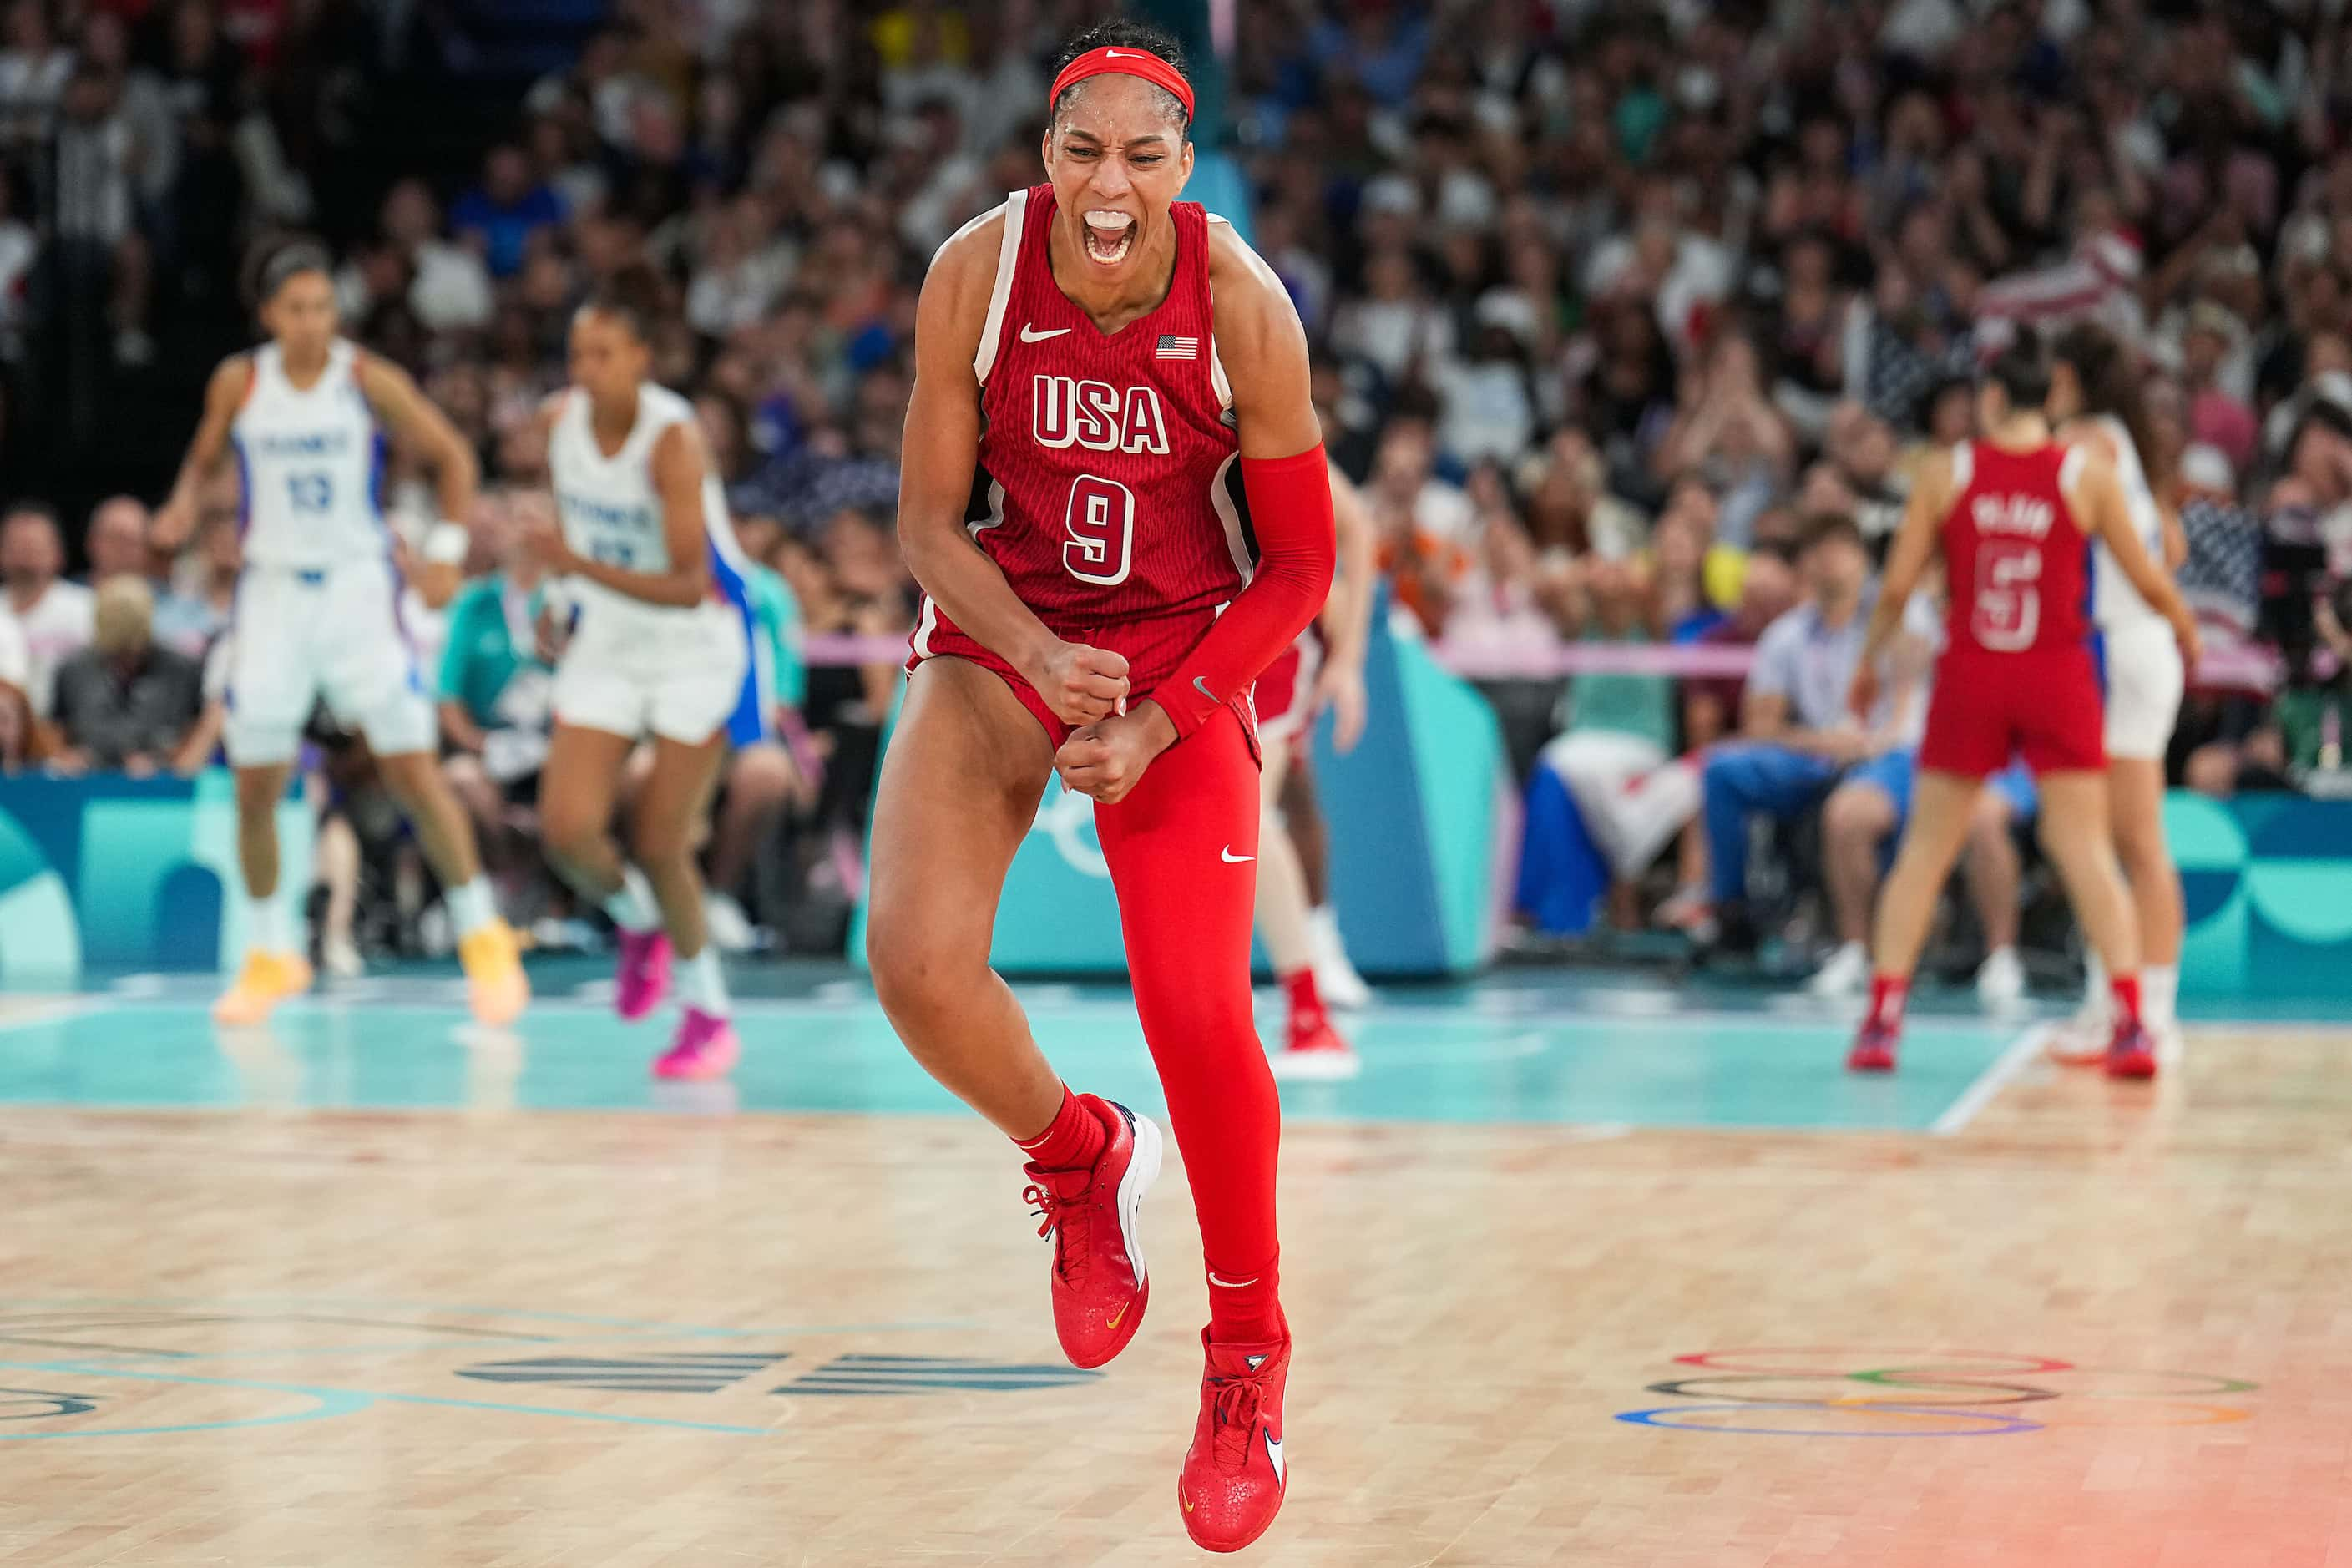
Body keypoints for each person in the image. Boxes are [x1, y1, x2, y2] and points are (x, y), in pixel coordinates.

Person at [863, 24, 1332, 1552]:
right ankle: (1076, 1153)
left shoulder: (1243, 305)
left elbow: (1304, 567)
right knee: (914, 968)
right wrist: (1031, 647)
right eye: (1083, 152)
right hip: (1012, 628)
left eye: (1142, 155)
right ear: (1045, 156)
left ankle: (1246, 1354)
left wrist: (1172, 709)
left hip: (1184, 654)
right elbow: (932, 528)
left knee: (1197, 1013)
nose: (1110, 183)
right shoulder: (974, 277)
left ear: (1184, 165)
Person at [150, 240, 529, 1029]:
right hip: (272, 592)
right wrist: (185, 506)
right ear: (269, 316)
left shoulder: (365, 378)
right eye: (297, 309)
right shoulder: (241, 380)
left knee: (413, 771)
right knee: (255, 781)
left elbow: (454, 459)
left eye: (324, 307)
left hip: (358, 589)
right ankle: (268, 952)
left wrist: (447, 556)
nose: (313, 322)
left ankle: (481, 937)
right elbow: (202, 456)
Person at [1845, 331, 2200, 1078]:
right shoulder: (2086, 473)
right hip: (2055, 672)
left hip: (1973, 670)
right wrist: (2183, 627)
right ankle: (2133, 1024)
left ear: (1992, 398)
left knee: (1923, 852)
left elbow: (1899, 585)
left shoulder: (1947, 472)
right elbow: (2149, 572)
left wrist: (1869, 662)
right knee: (2087, 851)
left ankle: (1881, 1020)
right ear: (2050, 398)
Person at [523, 263, 763, 1081]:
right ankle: (637, 923)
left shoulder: (674, 439)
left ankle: (708, 1015)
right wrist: (555, 601)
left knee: (662, 839)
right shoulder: (560, 423)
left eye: (601, 354)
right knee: (566, 831)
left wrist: (573, 566)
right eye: (576, 353)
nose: (584, 369)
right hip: (612, 641)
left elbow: (685, 583)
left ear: (639, 359)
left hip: (696, 642)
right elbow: (567, 536)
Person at [2044, 322, 2192, 1063]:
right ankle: (2120, 1007)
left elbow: (2153, 561)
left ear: (2066, 377)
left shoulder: (2083, 442)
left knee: (2124, 841)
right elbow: (2173, 542)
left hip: (2121, 650)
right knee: (2108, 842)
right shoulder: (2122, 442)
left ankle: (2145, 1013)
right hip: (2131, 648)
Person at [1694, 513, 1903, 948]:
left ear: (1863, 560)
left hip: (1887, 752)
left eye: (1840, 551)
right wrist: (1825, 743)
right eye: (1819, 553)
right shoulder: (1785, 636)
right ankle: (1731, 911)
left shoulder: (1897, 619)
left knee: (1870, 797)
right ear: (1804, 567)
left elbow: (1913, 704)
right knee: (1723, 770)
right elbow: (1760, 725)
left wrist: (1872, 744)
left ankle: (1873, 936)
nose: (1830, 563)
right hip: (1812, 756)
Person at [1257, 459, 1373, 1078]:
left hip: (1272, 636)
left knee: (1247, 818)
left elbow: (1356, 525)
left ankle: (1310, 1015)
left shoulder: (1246, 384)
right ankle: (1203, 1015)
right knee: (1213, 828)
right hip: (1193, 622)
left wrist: (1348, 659)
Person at [48, 575, 206, 774]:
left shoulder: (183, 671)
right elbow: (55, 731)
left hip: (162, 782)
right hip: (88, 777)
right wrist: (67, 757)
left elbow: (196, 731)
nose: (125, 657)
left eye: (132, 651)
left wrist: (168, 761)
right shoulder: (72, 670)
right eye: (116, 651)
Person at [0, 503, 94, 719]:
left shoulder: (86, 609)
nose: (25, 557)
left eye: (34, 547)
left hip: (67, 729)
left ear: (58, 553)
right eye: (16, 547)